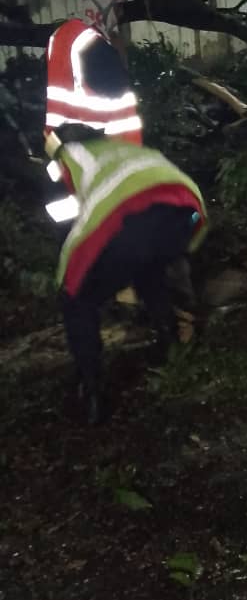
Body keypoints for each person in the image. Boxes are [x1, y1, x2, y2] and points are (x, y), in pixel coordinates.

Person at [45, 124, 208, 424]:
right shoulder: (128, 148)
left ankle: (91, 389)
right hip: (186, 206)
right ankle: (172, 341)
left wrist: (69, 276)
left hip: (126, 214)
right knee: (149, 267)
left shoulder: (68, 156)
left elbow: (72, 223)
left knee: (74, 299)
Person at [45, 0, 143, 224]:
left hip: (61, 154)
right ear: (104, 4)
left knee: (72, 234)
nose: (119, 15)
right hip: (99, 162)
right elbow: (122, 113)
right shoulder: (98, 48)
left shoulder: (61, 37)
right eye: (118, 6)